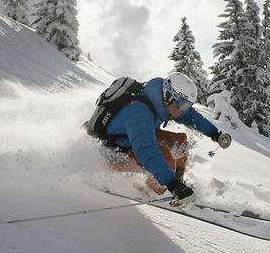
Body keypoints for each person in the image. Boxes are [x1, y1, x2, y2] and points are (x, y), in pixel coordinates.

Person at [95, 72, 231, 205]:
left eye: (186, 105)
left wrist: (215, 134)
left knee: (180, 142)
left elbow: (190, 116)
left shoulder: (165, 103)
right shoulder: (138, 112)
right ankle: (155, 192)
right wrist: (172, 184)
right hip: (115, 154)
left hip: (132, 142)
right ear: (168, 96)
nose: (183, 110)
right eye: (182, 105)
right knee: (166, 163)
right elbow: (146, 151)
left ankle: (177, 186)